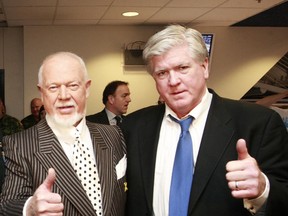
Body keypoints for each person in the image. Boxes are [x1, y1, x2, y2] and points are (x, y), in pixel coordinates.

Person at [121, 25, 288, 216]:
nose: (173, 81)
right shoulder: (133, 128)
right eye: (162, 73)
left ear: (205, 67)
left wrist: (263, 189)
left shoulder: (258, 123)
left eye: (182, 68)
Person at [0, 52, 127, 215]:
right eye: (53, 87)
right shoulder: (20, 144)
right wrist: (30, 207)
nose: (64, 96)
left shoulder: (113, 135)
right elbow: (7, 205)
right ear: (42, 92)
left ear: (86, 88)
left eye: (73, 85)